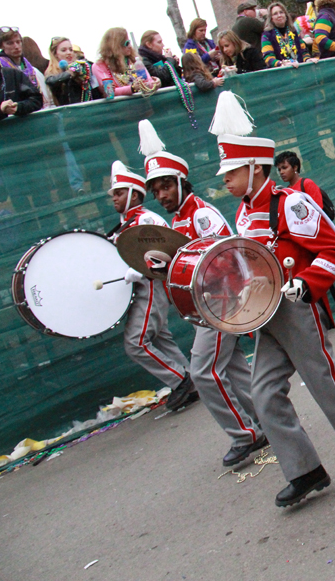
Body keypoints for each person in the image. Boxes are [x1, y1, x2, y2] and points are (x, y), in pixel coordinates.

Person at [210, 91, 335, 507]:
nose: (225, 178)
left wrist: (308, 283)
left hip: (295, 307)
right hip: (264, 315)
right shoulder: (243, 213)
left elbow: (334, 251)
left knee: (326, 386)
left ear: (255, 169)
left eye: (231, 170)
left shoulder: (289, 204)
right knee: (265, 394)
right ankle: (305, 470)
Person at [139, 120, 266, 467]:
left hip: (223, 302)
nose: (161, 195)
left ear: (181, 182)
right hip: (205, 304)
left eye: (166, 186)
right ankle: (265, 424)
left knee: (203, 373)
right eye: (156, 190)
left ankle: (245, 434)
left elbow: (227, 259)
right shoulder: (178, 219)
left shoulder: (202, 215)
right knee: (234, 369)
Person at [106, 161, 197, 412]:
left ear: (134, 194)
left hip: (150, 285)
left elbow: (168, 247)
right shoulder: (123, 223)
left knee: (135, 342)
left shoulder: (146, 218)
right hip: (140, 290)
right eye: (114, 194)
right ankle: (193, 381)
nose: (114, 198)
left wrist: (139, 269)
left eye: (119, 192)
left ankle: (180, 380)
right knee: (160, 337)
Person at [274, 150, 335, 328]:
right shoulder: (284, 193)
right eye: (278, 169)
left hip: (319, 238)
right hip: (304, 244)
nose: (281, 172)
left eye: (284, 167)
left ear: (295, 167)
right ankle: (323, 321)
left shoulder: (306, 184)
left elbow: (317, 212)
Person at [92, 28, 160, 97]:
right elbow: (109, 92)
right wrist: (131, 88)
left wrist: (155, 83)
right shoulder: (99, 66)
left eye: (129, 42)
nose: (130, 46)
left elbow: (147, 81)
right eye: (126, 43)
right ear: (116, 46)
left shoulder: (134, 61)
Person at [0, 26, 52, 109]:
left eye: (18, 42)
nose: (16, 46)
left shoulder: (31, 69)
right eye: (10, 43)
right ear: (1, 46)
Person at [0, 38, 42, 122]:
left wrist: (19, 107)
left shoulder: (14, 74)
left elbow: (37, 100)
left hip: (21, 130)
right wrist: (0, 110)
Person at [44, 37, 97, 105]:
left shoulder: (81, 67)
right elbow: (50, 81)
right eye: (63, 50)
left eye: (70, 50)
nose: (69, 53)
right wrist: (69, 73)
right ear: (55, 54)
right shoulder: (52, 73)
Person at [262, 2, 311, 67]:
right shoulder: (267, 35)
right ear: (271, 18)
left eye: (281, 12)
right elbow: (268, 58)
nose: (279, 15)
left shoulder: (293, 31)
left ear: (286, 15)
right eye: (275, 14)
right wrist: (281, 63)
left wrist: (308, 60)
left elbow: (304, 51)